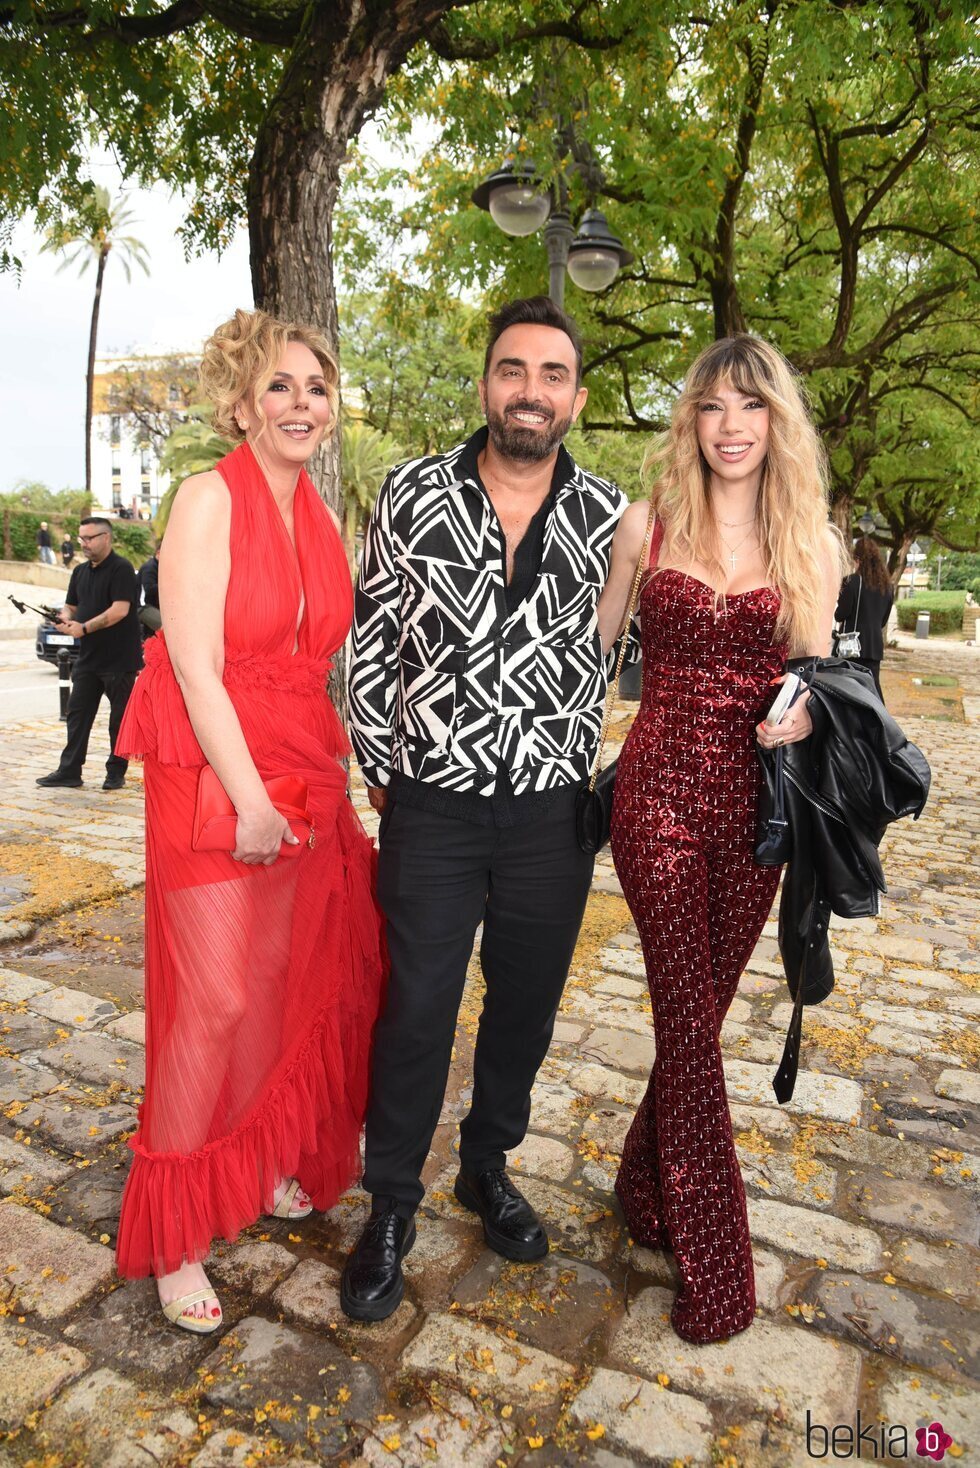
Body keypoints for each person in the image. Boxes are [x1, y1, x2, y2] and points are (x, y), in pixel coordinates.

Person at [343, 296, 629, 1322]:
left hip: (553, 814)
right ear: (485, 386)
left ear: (575, 398)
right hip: (433, 806)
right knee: (414, 1007)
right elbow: (371, 639)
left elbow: (645, 642)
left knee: (523, 1008)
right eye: (513, 371)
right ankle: (388, 1201)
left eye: (551, 376)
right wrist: (384, 765)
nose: (530, 392)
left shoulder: (613, 517)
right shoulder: (412, 491)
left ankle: (486, 1163)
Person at [112, 308, 386, 1333]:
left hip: (301, 764)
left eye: (315, 386)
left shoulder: (318, 512)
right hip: (211, 762)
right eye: (278, 386)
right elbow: (192, 662)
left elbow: (321, 660)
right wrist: (254, 800)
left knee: (280, 982)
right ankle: (176, 1229)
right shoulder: (203, 498)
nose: (300, 403)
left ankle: (260, 1154)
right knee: (215, 998)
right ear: (239, 402)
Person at [596, 334, 848, 1345]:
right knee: (689, 1031)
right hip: (652, 795)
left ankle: (640, 1185)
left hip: (755, 815)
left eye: (749, 406)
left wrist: (802, 712)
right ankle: (717, 1265)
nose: (730, 425)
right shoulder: (641, 525)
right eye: (711, 406)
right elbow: (592, 652)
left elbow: (821, 684)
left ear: (773, 422)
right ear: (690, 423)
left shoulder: (810, 548)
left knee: (693, 1017)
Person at [36, 518, 143, 792]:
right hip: (88, 658)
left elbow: (119, 610)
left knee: (118, 719)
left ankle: (115, 772)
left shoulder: (122, 570)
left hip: (118, 659)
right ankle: (69, 771)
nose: (84, 543)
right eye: (81, 538)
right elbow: (71, 606)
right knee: (77, 714)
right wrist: (62, 617)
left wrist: (83, 627)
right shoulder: (80, 571)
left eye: (90, 538)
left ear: (106, 537)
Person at [835, 534, 894, 698]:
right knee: (873, 687)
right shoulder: (887, 586)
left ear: (857, 559)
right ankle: (878, 720)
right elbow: (883, 619)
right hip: (874, 645)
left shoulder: (852, 582)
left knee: (849, 687)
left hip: (852, 647)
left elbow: (841, 614)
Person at [136, 547, 161, 639]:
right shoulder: (149, 567)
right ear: (158, 552)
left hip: (152, 606)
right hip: (143, 606)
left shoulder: (160, 566)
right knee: (164, 626)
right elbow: (149, 589)